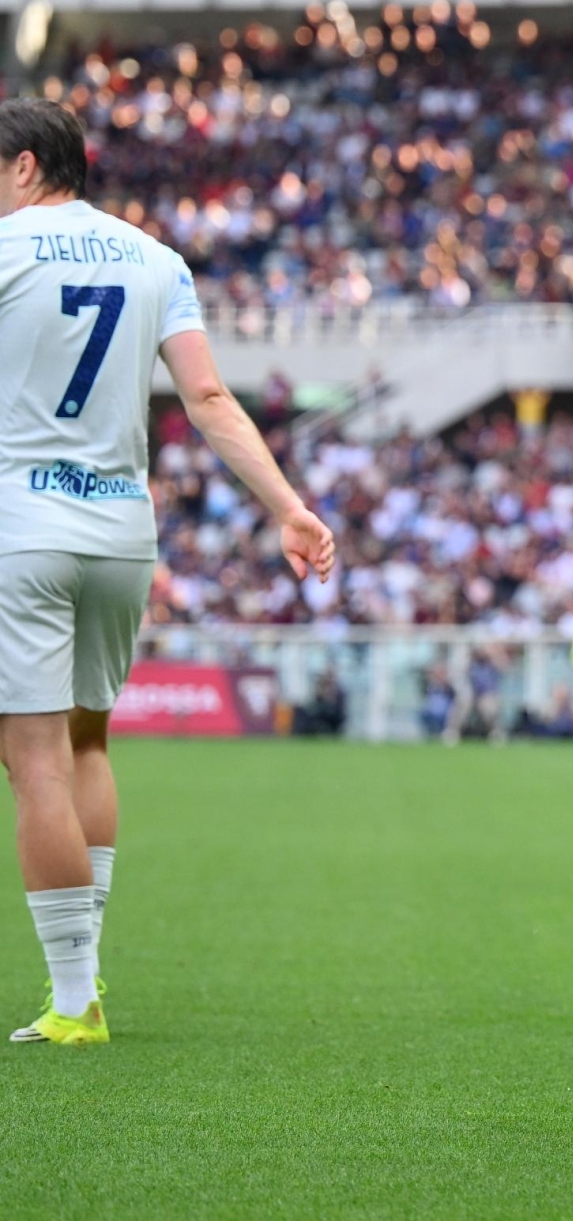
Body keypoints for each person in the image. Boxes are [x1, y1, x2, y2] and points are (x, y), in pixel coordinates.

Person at [0, 99, 335, 1047]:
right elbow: (208, 397)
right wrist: (287, 507)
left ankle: (74, 999)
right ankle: (83, 971)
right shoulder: (156, 259)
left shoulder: (5, 247)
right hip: (119, 529)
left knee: (30, 761)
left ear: (26, 167)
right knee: (87, 741)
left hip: (22, 520)